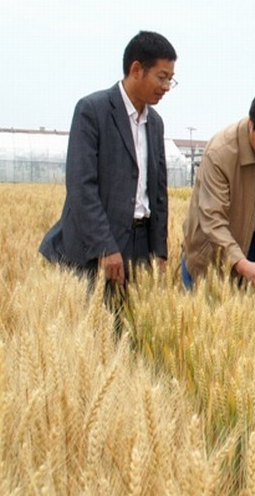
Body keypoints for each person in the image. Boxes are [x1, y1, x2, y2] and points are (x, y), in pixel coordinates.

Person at [39, 30, 177, 320]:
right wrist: (105, 247)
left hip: (141, 247)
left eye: (170, 79)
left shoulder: (156, 123)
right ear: (136, 69)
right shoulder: (93, 110)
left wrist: (159, 252)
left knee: (131, 330)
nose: (166, 87)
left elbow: (158, 193)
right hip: (97, 247)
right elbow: (81, 186)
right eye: (162, 77)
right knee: (94, 328)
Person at [181, 87, 255, 291]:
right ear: (251, 124)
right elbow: (212, 219)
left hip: (250, 245)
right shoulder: (220, 153)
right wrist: (240, 262)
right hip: (209, 253)